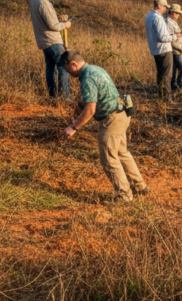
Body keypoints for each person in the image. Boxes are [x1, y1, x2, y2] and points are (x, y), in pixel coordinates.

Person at [60, 51, 148, 202]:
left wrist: (73, 127)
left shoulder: (87, 77)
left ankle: (124, 195)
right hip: (122, 113)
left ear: (73, 65)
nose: (69, 75)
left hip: (111, 119)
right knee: (121, 152)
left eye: (68, 70)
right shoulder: (95, 68)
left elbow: (90, 110)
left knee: (108, 158)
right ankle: (140, 187)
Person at [29, 0, 73, 101]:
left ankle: (52, 96)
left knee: (50, 70)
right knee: (64, 68)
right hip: (52, 41)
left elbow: (46, 20)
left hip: (43, 41)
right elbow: (53, 26)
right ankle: (65, 98)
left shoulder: (34, 0)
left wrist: (58, 19)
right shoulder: (43, 2)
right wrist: (65, 24)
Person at [144, 0, 180, 102]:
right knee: (167, 76)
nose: (165, 9)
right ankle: (167, 99)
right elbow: (162, 37)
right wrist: (175, 37)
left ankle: (161, 96)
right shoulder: (158, 18)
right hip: (163, 50)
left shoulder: (149, 15)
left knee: (160, 74)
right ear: (159, 6)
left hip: (155, 50)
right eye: (164, 6)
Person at [167, 4, 182, 94]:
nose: (178, 15)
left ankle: (173, 87)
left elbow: (175, 35)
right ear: (172, 12)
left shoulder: (173, 21)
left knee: (174, 69)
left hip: (176, 50)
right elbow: (170, 39)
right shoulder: (168, 22)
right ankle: (180, 87)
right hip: (175, 50)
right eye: (177, 13)